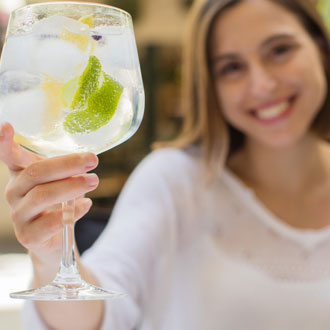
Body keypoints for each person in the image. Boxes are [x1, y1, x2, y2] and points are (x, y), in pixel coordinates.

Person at [2, 0, 330, 328]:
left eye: (279, 50)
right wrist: (51, 256)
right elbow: (100, 316)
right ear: (210, 86)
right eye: (231, 67)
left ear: (321, 47)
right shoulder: (174, 180)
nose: (262, 84)